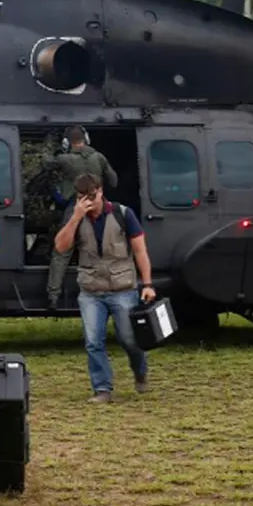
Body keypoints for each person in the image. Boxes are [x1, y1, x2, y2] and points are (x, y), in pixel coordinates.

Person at [53, 172, 155, 403]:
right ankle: (102, 389)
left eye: (91, 195)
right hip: (91, 291)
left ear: (100, 191)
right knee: (93, 341)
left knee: (129, 339)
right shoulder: (76, 216)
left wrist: (147, 284)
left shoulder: (123, 214)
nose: (88, 201)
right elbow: (60, 247)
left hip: (123, 288)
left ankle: (140, 371)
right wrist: (75, 218)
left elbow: (140, 251)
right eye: (82, 197)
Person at [43, 125, 119, 309]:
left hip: (75, 206)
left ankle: (53, 296)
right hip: (99, 208)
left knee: (61, 253)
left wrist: (48, 143)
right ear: (86, 138)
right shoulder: (99, 157)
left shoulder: (63, 159)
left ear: (67, 142)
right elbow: (114, 181)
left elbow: (46, 163)